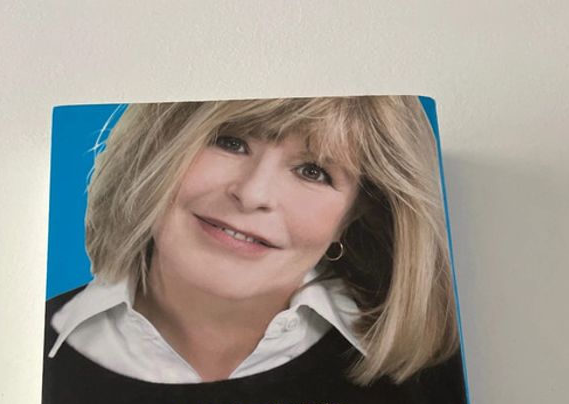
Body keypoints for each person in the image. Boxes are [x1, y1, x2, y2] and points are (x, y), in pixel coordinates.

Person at [48, 96, 458, 385]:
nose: (252, 194)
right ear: (157, 151)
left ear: (354, 217)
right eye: (231, 142)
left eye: (313, 172)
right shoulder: (34, 348)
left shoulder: (435, 390)